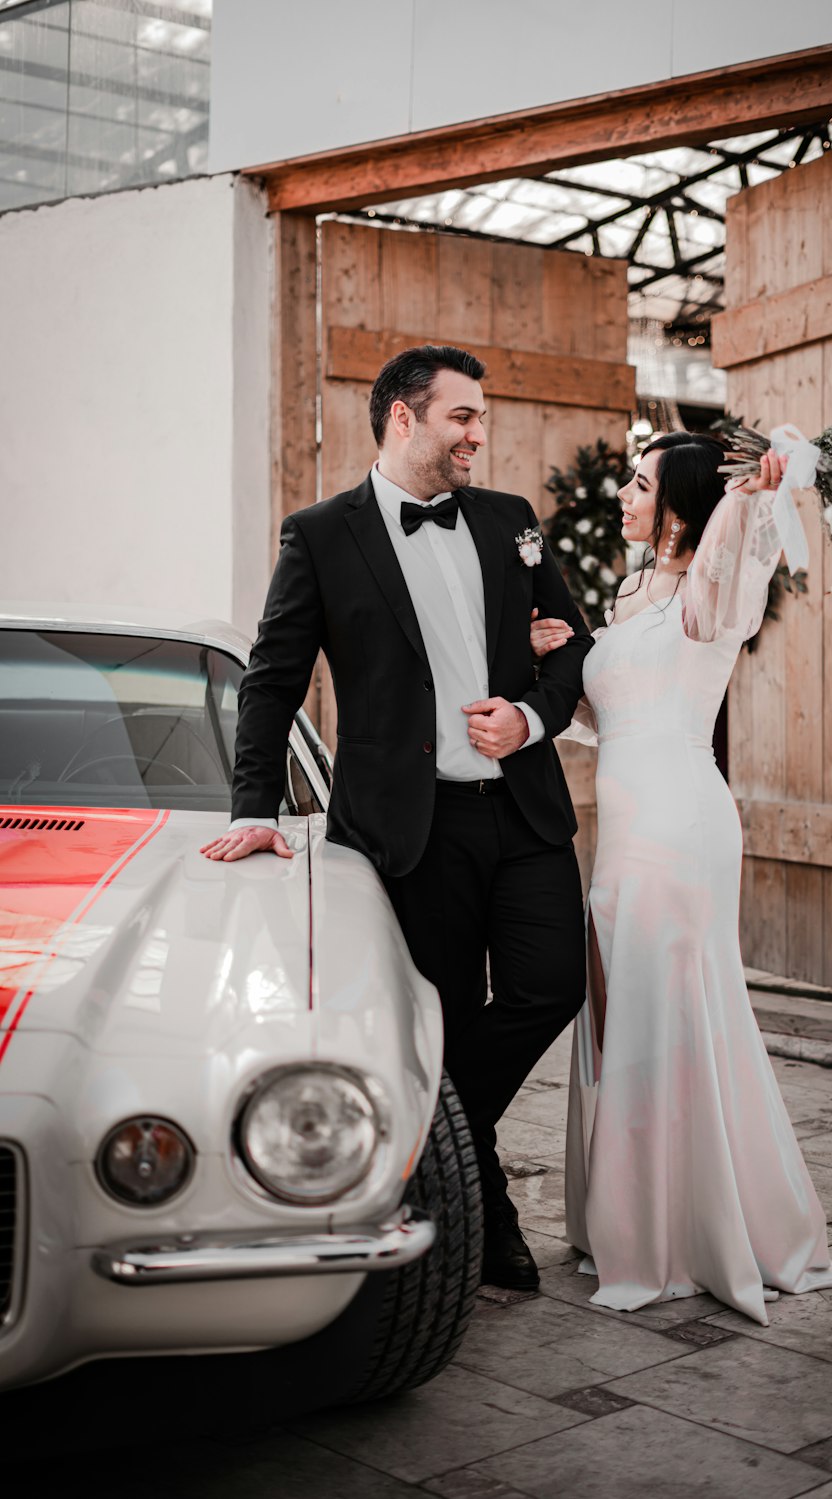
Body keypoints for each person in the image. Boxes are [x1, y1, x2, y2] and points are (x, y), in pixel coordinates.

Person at [201, 344, 592, 1292]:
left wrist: (531, 716)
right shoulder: (321, 534)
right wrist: (255, 808)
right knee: (442, 1018)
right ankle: (483, 1209)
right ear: (404, 419)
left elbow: (571, 649)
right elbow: (272, 681)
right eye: (462, 416)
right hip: (411, 833)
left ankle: (452, 1141)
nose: (478, 434)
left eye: (480, 417)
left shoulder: (510, 521)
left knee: (555, 985)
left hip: (526, 813)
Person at [530, 432, 832, 1323]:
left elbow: (725, 577)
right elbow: (609, 716)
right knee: (619, 1012)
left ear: (681, 505)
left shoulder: (718, 586)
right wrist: (564, 651)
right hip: (625, 826)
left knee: (668, 1016)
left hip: (679, 825)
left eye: (639, 483)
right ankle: (629, 1222)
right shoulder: (633, 592)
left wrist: (750, 500)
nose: (623, 496)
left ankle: (682, 1236)